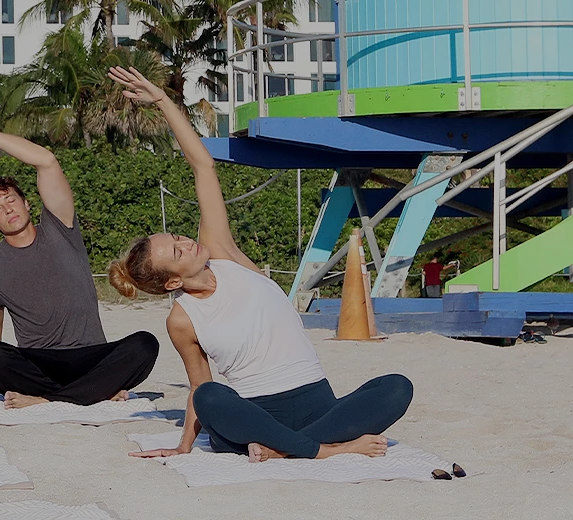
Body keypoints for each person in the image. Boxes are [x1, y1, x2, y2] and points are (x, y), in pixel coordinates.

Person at [102, 66, 414, 463]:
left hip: (317, 403)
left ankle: (289, 450)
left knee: (396, 386)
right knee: (213, 398)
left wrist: (163, 101)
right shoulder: (182, 319)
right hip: (256, 415)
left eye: (177, 237)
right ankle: (322, 449)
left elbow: (202, 165)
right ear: (171, 283)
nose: (185, 241)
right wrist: (184, 445)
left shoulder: (223, 253)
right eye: (177, 252)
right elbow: (201, 386)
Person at [0, 128, 159, 410]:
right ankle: (91, 393)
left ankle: (48, 399)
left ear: (27, 203)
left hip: (91, 358)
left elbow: (46, 160)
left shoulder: (60, 227)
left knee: (145, 344)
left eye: (11, 200)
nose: (7, 209)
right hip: (39, 365)